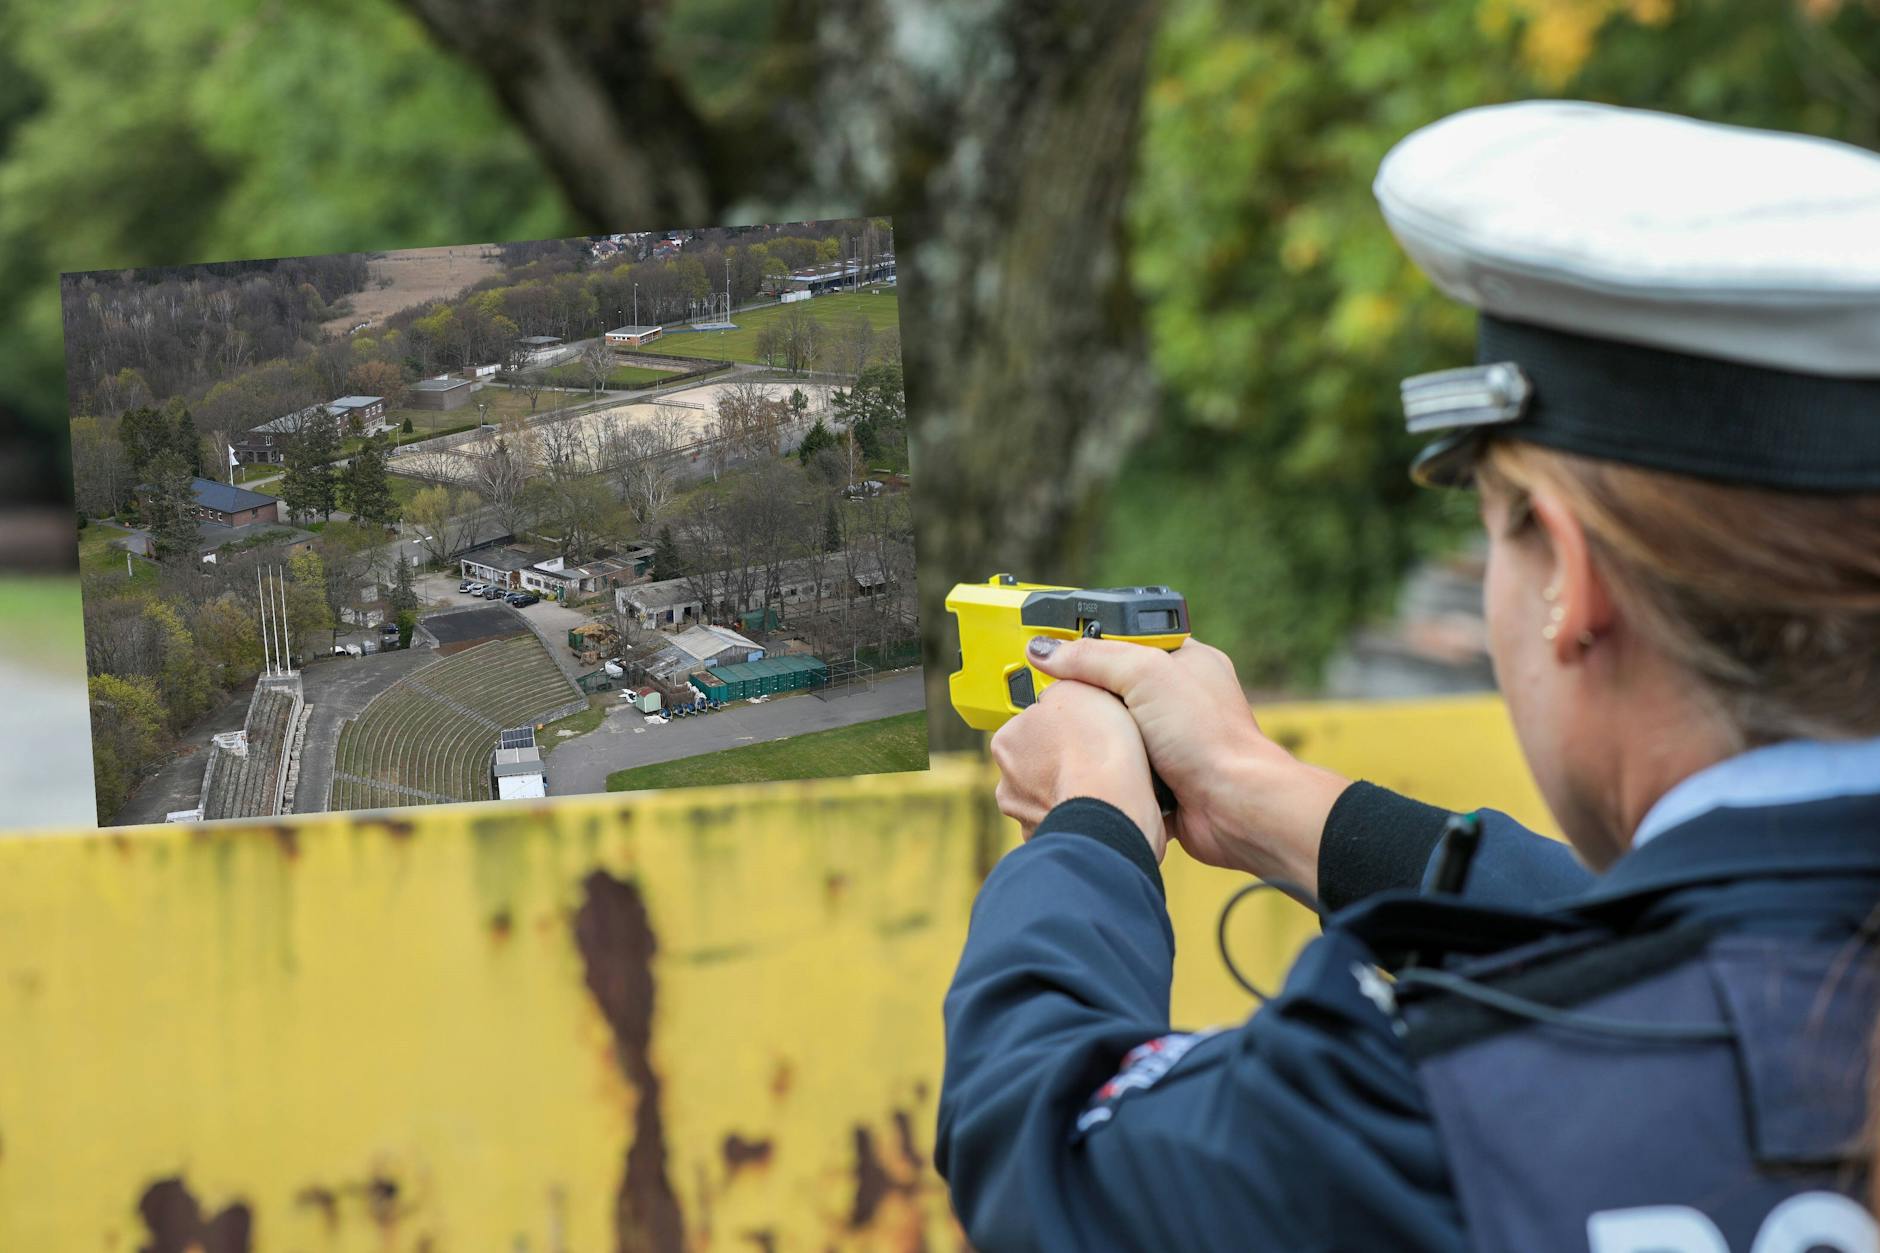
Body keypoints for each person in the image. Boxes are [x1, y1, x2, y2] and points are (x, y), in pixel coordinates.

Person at [935, 100, 1880, 1253]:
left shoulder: (1419, 1104)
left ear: (1567, 580)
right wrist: (1258, 788)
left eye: (1494, 529)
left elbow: (1041, 1146)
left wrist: (1087, 829)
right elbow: (1718, 947)